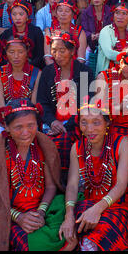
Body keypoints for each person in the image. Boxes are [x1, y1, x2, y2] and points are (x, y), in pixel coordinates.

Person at [0, 99, 65, 251]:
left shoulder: (44, 145)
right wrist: (19, 217)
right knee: (35, 245)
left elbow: (51, 186)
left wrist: (40, 212)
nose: (26, 132)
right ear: (6, 127)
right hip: (7, 215)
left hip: (41, 211)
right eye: (18, 127)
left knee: (69, 226)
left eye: (31, 126)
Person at [58, 101, 128, 251]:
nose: (90, 129)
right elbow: (72, 185)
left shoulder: (122, 143)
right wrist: (69, 215)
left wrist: (97, 209)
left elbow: (121, 185)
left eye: (96, 122)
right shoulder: (78, 147)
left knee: (102, 234)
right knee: (67, 233)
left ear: (107, 123)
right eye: (84, 122)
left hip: (118, 206)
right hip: (87, 206)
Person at [37, 31, 94, 186]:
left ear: (72, 51)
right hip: (52, 123)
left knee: (65, 140)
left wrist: (66, 125)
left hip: (76, 123)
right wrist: (53, 122)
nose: (57, 54)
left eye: (62, 50)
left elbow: (86, 104)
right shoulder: (48, 72)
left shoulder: (84, 72)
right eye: (54, 50)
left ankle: (68, 183)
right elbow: (42, 102)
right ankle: (51, 183)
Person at [95, 46, 128, 154]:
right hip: (109, 127)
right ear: (121, 63)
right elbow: (98, 112)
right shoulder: (104, 77)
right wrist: (120, 107)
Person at [0, 36, 41, 115]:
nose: (16, 56)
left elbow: (34, 103)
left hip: (28, 116)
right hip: (6, 116)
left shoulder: (36, 73)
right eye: (11, 52)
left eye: (20, 52)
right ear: (6, 52)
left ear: (27, 52)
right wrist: (3, 118)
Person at [95, 3, 128, 76]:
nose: (120, 17)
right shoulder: (106, 31)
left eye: (124, 14)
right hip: (107, 74)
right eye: (117, 13)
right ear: (113, 16)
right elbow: (109, 53)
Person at [0, 0, 45, 70]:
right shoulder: (6, 34)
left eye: (21, 14)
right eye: (14, 14)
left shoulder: (36, 32)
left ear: (27, 16)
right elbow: (2, 56)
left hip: (33, 68)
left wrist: (27, 67)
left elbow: (40, 55)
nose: (17, 18)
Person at [80, 0, 113, 72]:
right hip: (90, 42)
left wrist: (103, 35)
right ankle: (85, 80)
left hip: (106, 42)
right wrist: (91, 35)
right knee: (86, 57)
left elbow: (112, 27)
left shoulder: (110, 12)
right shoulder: (86, 12)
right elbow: (83, 29)